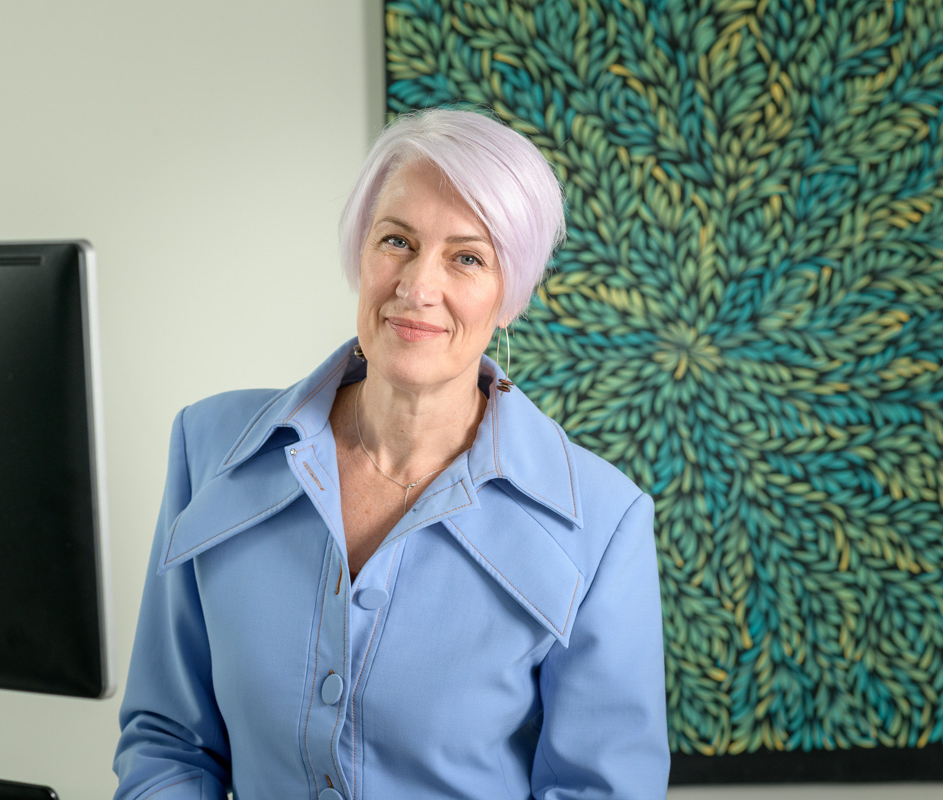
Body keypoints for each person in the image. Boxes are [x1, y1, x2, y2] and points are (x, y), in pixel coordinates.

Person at [113, 108, 669, 800]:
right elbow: (169, 744)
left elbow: (599, 791)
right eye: (397, 241)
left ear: (510, 296)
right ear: (362, 252)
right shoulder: (209, 450)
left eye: (467, 257)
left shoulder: (605, 524)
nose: (417, 287)